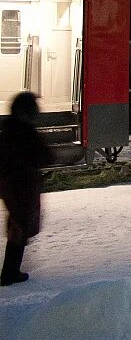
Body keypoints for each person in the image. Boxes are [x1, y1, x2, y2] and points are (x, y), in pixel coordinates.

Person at [0, 92, 51, 286]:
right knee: (20, 225)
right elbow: (44, 156)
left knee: (17, 224)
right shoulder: (27, 135)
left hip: (11, 185)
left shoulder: (9, 131)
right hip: (23, 186)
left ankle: (11, 270)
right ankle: (10, 272)